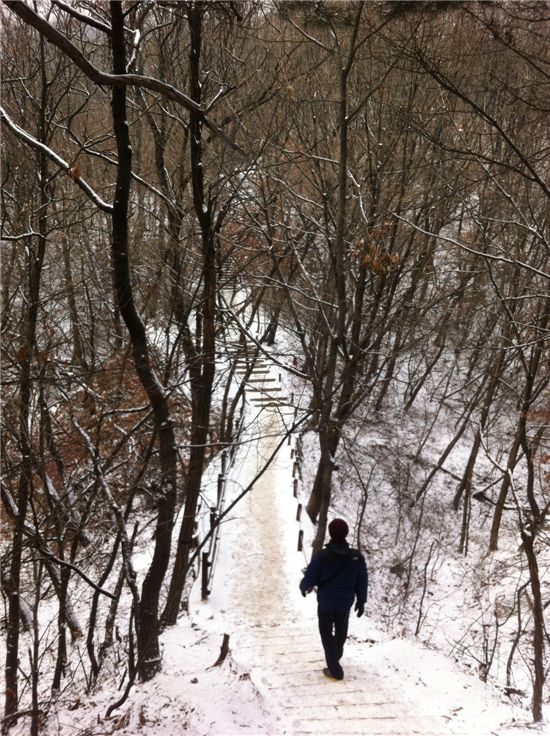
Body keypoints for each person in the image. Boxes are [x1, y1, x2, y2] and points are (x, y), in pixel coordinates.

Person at [299, 518, 368, 681]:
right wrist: (361, 601)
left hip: (326, 603)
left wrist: (304, 586)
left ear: (330, 533)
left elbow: (311, 575)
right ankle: (335, 657)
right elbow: (362, 580)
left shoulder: (322, 556)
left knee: (326, 633)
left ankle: (335, 669)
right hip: (345, 603)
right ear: (346, 534)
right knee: (341, 633)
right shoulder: (356, 557)